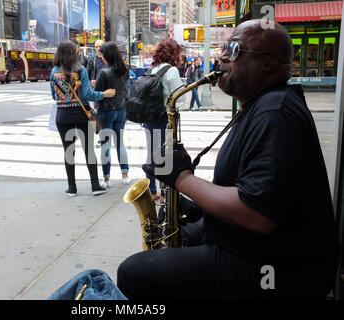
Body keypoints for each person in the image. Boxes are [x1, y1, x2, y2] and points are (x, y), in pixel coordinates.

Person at [117, 19, 338, 299]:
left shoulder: (275, 113)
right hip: (262, 249)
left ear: (268, 64)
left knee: (135, 272)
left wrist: (182, 179)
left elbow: (258, 214)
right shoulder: (263, 105)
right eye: (223, 47)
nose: (221, 56)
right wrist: (200, 208)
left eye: (233, 50)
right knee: (183, 237)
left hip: (279, 269)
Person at [50, 40, 116, 197]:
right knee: (89, 150)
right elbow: (87, 95)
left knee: (68, 151)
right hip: (81, 114)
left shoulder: (54, 72)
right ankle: (95, 186)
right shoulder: (81, 70)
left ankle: (72, 188)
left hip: (62, 116)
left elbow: (54, 96)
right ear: (73, 53)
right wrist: (104, 94)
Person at [143, 38, 184, 201]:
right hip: (165, 119)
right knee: (166, 156)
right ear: (174, 53)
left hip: (148, 118)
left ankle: (151, 191)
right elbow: (180, 97)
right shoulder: (172, 71)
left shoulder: (152, 69)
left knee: (151, 155)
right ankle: (166, 193)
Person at [94, 42, 131, 188]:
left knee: (105, 145)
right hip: (121, 110)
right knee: (120, 143)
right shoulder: (124, 70)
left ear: (107, 55)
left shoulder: (103, 72)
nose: (101, 58)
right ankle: (125, 174)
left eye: (102, 55)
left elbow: (96, 95)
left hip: (106, 112)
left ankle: (107, 179)